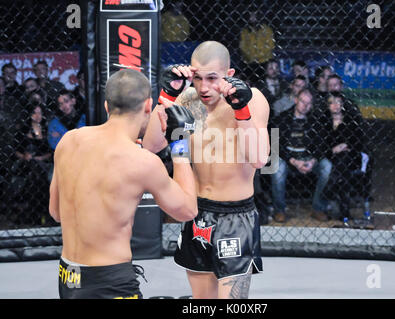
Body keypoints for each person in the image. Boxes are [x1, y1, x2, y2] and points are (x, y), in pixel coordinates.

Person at [49, 69, 198, 299]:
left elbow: (56, 212)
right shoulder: (143, 162)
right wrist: (180, 145)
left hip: (68, 277)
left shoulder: (69, 141)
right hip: (110, 282)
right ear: (148, 106)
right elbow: (187, 211)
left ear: (107, 107)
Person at [143, 41, 270, 299]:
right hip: (197, 212)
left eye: (212, 78)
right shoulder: (187, 99)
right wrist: (166, 97)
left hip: (236, 218)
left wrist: (241, 110)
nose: (203, 87)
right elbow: (151, 146)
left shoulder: (253, 98)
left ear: (229, 75)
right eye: (197, 78)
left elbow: (259, 160)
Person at [270, 88, 333, 223]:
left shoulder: (316, 120)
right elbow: (275, 145)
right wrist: (293, 160)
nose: (305, 106)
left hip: (308, 157)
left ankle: (318, 208)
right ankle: (279, 210)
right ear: (296, 100)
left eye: (309, 103)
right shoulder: (281, 118)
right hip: (287, 158)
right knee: (276, 168)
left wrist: (313, 160)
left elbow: (322, 145)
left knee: (327, 167)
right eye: (303, 102)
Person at [308, 92, 367, 220]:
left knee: (343, 160)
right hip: (329, 157)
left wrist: (343, 147)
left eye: (338, 102)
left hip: (349, 157)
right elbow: (319, 145)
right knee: (341, 169)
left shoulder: (351, 120)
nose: (335, 105)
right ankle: (344, 210)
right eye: (332, 102)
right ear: (327, 105)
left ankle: (331, 187)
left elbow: (358, 142)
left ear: (343, 104)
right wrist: (333, 150)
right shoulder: (322, 120)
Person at [13, 102, 52, 225]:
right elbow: (15, 151)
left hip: (43, 163)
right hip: (26, 164)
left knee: (36, 172)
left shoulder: (47, 128)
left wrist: (41, 158)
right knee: (34, 172)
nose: (38, 115)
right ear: (29, 114)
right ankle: (39, 211)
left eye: (40, 112)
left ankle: (36, 212)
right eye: (35, 112)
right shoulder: (23, 129)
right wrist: (24, 156)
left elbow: (51, 151)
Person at [239, 8, 275, 85]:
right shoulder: (245, 31)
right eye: (251, 15)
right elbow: (243, 46)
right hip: (250, 61)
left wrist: (259, 57)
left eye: (254, 15)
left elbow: (270, 45)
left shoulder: (267, 29)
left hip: (264, 61)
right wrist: (251, 57)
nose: (253, 18)